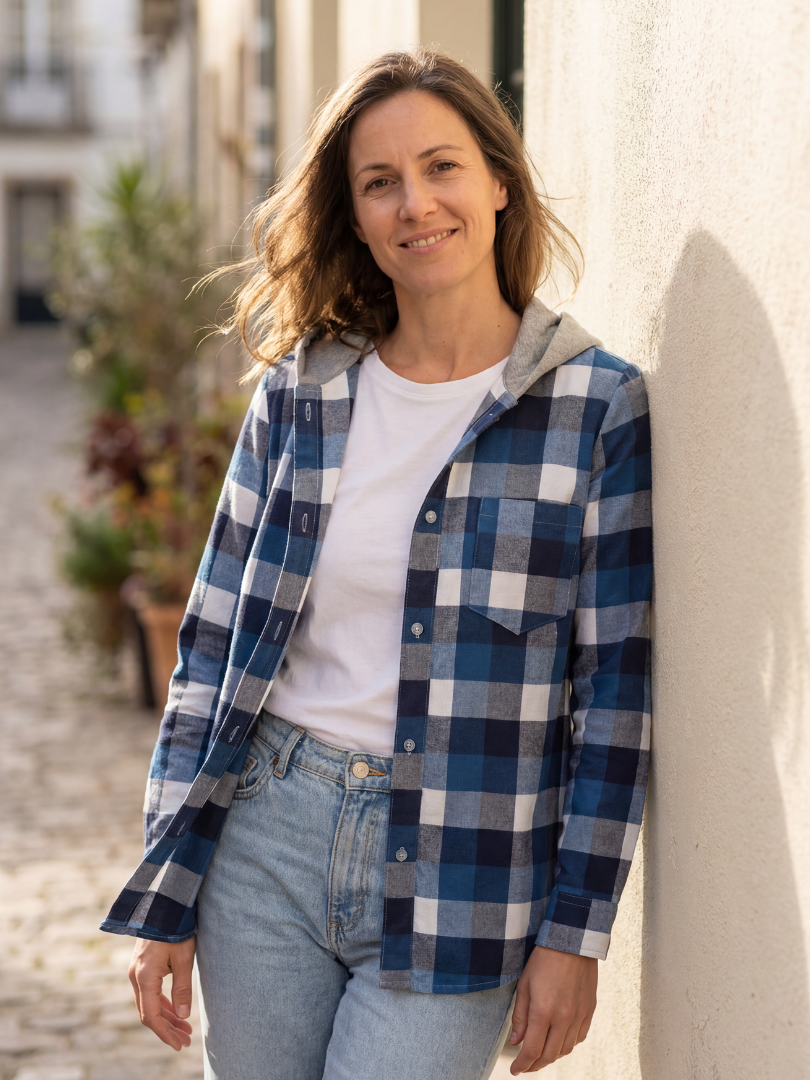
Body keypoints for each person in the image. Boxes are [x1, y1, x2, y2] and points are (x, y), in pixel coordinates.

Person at [102, 48, 652, 1080]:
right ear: (355, 218)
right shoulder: (303, 393)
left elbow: (614, 701)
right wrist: (166, 886)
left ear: (499, 180)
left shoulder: (595, 409)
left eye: (442, 167)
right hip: (268, 834)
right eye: (380, 182)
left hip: (467, 866)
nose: (416, 204)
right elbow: (211, 650)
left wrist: (575, 933)